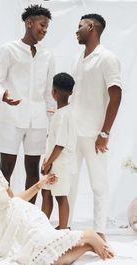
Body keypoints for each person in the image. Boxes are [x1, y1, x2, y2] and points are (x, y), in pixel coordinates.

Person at [0, 137, 114, 265]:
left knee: (43, 255)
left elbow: (13, 201)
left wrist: (39, 185)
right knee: (40, 259)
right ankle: (88, 242)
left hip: (20, 218)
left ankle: (87, 237)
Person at [0, 4, 55, 204]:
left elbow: (49, 93)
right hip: (12, 117)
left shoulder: (47, 56)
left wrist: (51, 124)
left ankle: (28, 216)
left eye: (47, 27)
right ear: (29, 23)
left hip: (38, 121)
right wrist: (4, 96)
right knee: (5, 169)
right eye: (42, 25)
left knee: (33, 169)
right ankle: (2, 216)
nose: (44, 30)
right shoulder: (9, 49)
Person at [69, 14, 122, 240]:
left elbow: (116, 95)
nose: (76, 30)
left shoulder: (107, 58)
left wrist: (105, 132)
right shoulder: (77, 58)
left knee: (98, 184)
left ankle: (99, 231)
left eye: (80, 26)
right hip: (73, 131)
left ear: (91, 27)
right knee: (68, 182)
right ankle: (65, 229)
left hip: (95, 134)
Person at [41, 73, 76, 230]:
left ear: (53, 92)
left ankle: (63, 229)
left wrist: (48, 162)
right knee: (46, 193)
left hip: (60, 163)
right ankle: (41, 227)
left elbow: (60, 144)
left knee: (61, 196)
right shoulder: (63, 112)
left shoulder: (63, 115)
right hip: (54, 160)